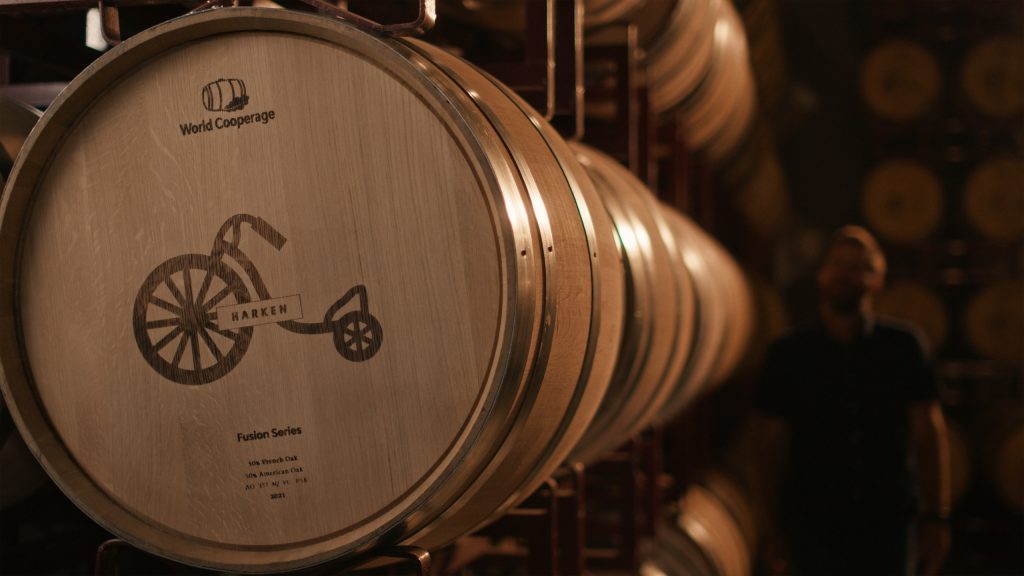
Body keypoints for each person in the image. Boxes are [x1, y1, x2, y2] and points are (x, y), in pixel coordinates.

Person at [751, 226, 951, 576]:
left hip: (885, 524)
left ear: (877, 282)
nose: (844, 273)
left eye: (859, 267)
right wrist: (771, 528)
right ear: (822, 274)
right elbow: (768, 448)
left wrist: (936, 518)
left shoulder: (903, 347)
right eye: (837, 264)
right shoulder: (788, 354)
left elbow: (928, 433)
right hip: (813, 527)